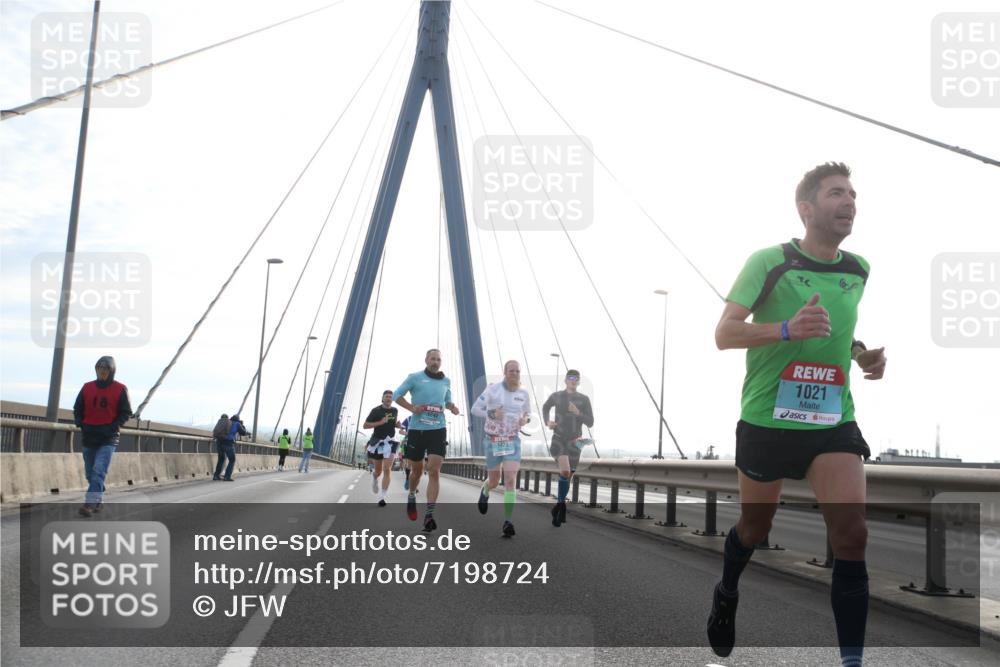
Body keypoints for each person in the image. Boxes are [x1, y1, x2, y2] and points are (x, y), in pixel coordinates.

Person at [707, 162, 886, 667]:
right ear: (806, 209)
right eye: (836, 193)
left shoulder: (859, 269)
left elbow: (834, 331)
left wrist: (861, 354)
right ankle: (727, 591)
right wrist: (784, 329)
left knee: (852, 534)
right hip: (768, 419)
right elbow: (724, 333)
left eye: (853, 193)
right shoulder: (770, 261)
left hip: (832, 420)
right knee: (754, 530)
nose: (849, 201)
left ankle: (851, 661)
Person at [393, 348, 460, 532]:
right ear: (426, 360)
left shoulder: (446, 381)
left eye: (438, 359)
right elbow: (397, 395)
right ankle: (412, 495)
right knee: (416, 471)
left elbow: (447, 401)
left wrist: (453, 407)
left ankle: (429, 515)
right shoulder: (414, 377)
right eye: (432, 359)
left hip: (438, 429)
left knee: (434, 471)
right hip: (417, 430)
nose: (435, 362)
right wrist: (411, 407)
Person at [472, 360, 532, 538]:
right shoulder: (492, 389)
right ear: (505, 372)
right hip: (493, 440)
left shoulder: (524, 393)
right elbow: (475, 409)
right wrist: (492, 414)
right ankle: (486, 489)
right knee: (495, 480)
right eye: (511, 371)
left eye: (518, 371)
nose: (515, 374)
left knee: (511, 479)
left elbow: (528, 413)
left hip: (512, 440)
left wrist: (525, 420)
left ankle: (508, 521)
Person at [72, 356, 132, 517]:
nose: (103, 370)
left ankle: (89, 504)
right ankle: (98, 496)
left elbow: (126, 412)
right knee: (90, 474)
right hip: (89, 436)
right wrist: (80, 422)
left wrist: (113, 426)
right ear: (96, 369)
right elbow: (77, 408)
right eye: (100, 368)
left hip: (108, 437)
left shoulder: (120, 389)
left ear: (111, 370)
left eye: (106, 368)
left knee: (99, 470)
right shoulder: (87, 387)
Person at [542, 369, 595, 527]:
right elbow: (545, 407)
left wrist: (578, 413)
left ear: (578, 382)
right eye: (570, 377)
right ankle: (560, 506)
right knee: (565, 472)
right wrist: (547, 422)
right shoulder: (557, 396)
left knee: (568, 477)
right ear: (565, 380)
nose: (573, 380)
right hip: (558, 440)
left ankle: (559, 507)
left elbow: (591, 422)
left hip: (575, 443)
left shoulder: (584, 400)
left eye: (576, 378)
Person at [363, 390, 401, 505]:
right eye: (387, 396)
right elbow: (365, 425)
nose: (389, 398)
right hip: (377, 442)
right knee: (378, 471)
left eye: (390, 396)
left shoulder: (395, 410)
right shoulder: (376, 411)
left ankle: (382, 497)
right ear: (382, 398)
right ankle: (375, 479)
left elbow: (392, 423)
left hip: (390, 442)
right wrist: (379, 422)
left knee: (387, 469)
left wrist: (397, 425)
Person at [212, 413, 235, 481]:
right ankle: (227, 476)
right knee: (232, 459)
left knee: (221, 459)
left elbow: (215, 431)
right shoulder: (229, 422)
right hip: (226, 442)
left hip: (219, 442)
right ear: (227, 417)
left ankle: (216, 476)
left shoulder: (219, 421)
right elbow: (231, 432)